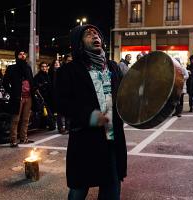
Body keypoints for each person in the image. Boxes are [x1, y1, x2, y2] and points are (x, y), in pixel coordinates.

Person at [56, 24, 127, 200]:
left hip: (112, 136)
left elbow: (125, 95)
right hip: (85, 138)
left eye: (97, 33)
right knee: (80, 188)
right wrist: (90, 116)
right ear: (79, 43)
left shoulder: (113, 67)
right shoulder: (69, 70)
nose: (95, 36)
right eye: (88, 34)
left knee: (112, 185)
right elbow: (61, 102)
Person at [2, 48, 35, 147]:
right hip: (18, 97)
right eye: (20, 54)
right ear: (17, 56)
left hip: (28, 97)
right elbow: (5, 83)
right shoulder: (12, 68)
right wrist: (12, 93)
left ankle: (23, 138)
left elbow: (31, 80)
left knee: (26, 119)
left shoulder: (28, 67)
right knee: (15, 119)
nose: (23, 56)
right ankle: (13, 140)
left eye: (24, 54)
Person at [33, 61, 55, 130]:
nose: (44, 68)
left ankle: (44, 125)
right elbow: (35, 87)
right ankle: (51, 126)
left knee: (47, 112)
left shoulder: (47, 75)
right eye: (42, 67)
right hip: (42, 97)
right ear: (40, 67)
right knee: (47, 112)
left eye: (45, 67)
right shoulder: (37, 76)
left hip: (49, 96)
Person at [48, 59, 68, 134]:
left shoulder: (63, 72)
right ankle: (61, 128)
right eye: (55, 63)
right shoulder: (51, 72)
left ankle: (67, 127)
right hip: (56, 94)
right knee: (60, 112)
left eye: (58, 63)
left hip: (63, 93)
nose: (57, 64)